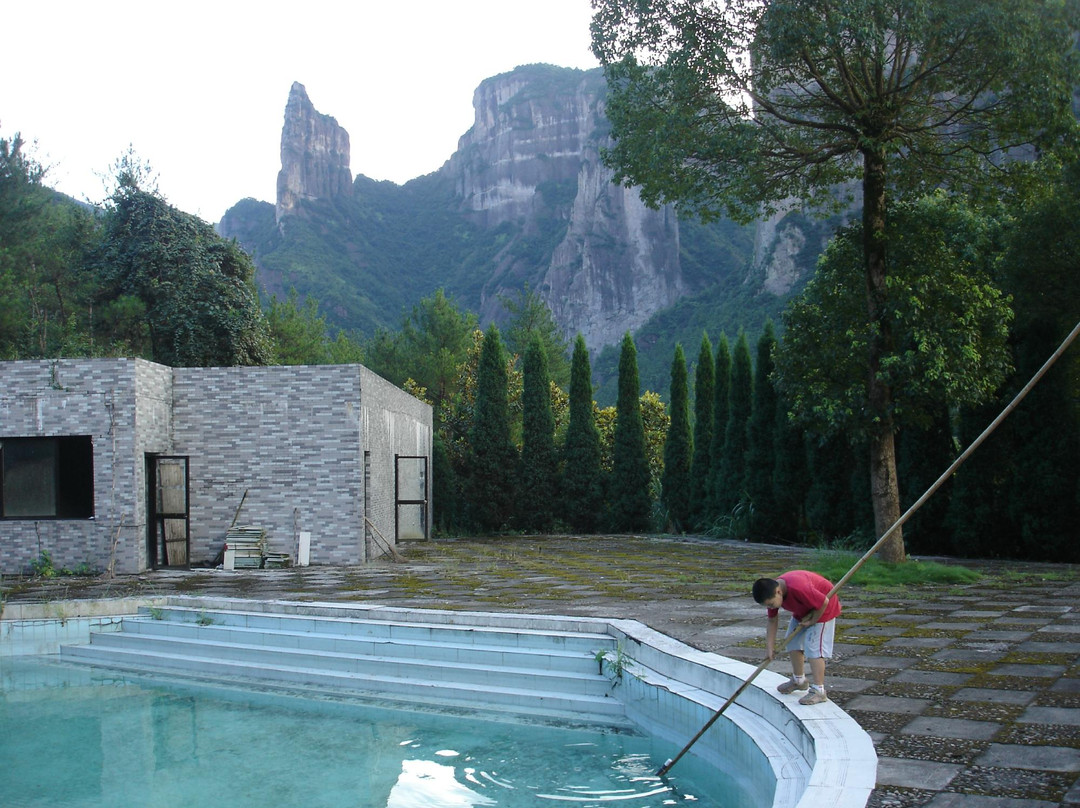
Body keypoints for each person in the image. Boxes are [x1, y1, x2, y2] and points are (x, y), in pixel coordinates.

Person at [752, 570, 841, 705]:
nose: (770, 607)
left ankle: (819, 691)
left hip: (824, 610)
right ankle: (799, 681)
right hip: (803, 608)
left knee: (814, 649)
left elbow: (824, 601)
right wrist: (770, 648)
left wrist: (813, 620)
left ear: (778, 592)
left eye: (770, 604)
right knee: (792, 642)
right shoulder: (771, 593)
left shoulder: (799, 587)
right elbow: (772, 620)